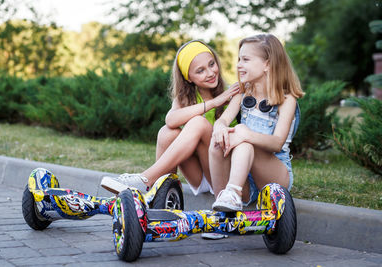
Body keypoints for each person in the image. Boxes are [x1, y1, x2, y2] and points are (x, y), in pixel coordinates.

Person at [102, 40, 239, 195]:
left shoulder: (231, 93)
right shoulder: (186, 99)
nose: (210, 73)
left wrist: (220, 100)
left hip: (224, 172)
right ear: (188, 78)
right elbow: (171, 120)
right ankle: (163, 194)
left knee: (198, 123)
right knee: (167, 133)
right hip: (200, 175)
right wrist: (213, 103)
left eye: (212, 64)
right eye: (200, 71)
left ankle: (145, 180)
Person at [209, 34, 304, 212]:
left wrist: (245, 134)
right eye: (239, 59)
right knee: (217, 143)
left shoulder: (286, 99)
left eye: (245, 59)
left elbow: (277, 143)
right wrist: (220, 127)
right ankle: (222, 208)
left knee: (243, 137)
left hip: (273, 176)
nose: (238, 65)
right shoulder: (243, 92)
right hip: (245, 177)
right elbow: (223, 119)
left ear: (267, 64)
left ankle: (233, 192)